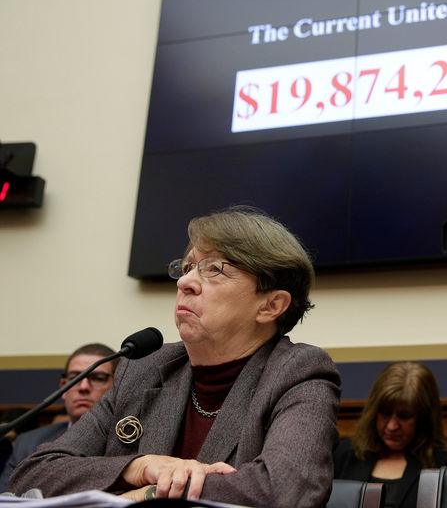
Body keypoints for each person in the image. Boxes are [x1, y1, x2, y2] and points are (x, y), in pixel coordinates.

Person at [8, 206, 341, 508]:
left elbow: (286, 491)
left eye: (214, 269)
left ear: (270, 306)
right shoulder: (143, 369)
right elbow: (34, 475)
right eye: (187, 267)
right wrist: (138, 467)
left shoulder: (299, 373)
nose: (185, 282)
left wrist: (150, 494)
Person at [334, 361, 447, 508]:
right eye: (385, 413)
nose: (391, 426)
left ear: (423, 418)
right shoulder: (343, 455)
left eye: (404, 416)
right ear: (373, 413)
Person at [0, 343, 117, 491]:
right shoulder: (27, 443)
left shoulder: (129, 442)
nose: (83, 387)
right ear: (63, 387)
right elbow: (7, 498)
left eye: (98, 378)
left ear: (117, 388)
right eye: (75, 378)